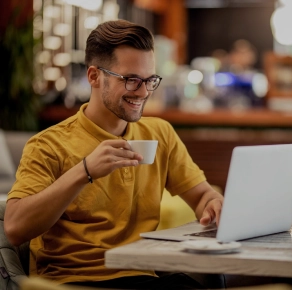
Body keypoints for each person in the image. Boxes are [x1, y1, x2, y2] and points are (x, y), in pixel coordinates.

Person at [4, 20, 224, 289]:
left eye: (149, 80)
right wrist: (84, 171)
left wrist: (213, 205)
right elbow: (15, 229)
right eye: (131, 80)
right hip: (75, 282)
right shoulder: (49, 145)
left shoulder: (159, 133)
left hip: (142, 276)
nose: (143, 92)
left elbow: (201, 195)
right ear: (95, 76)